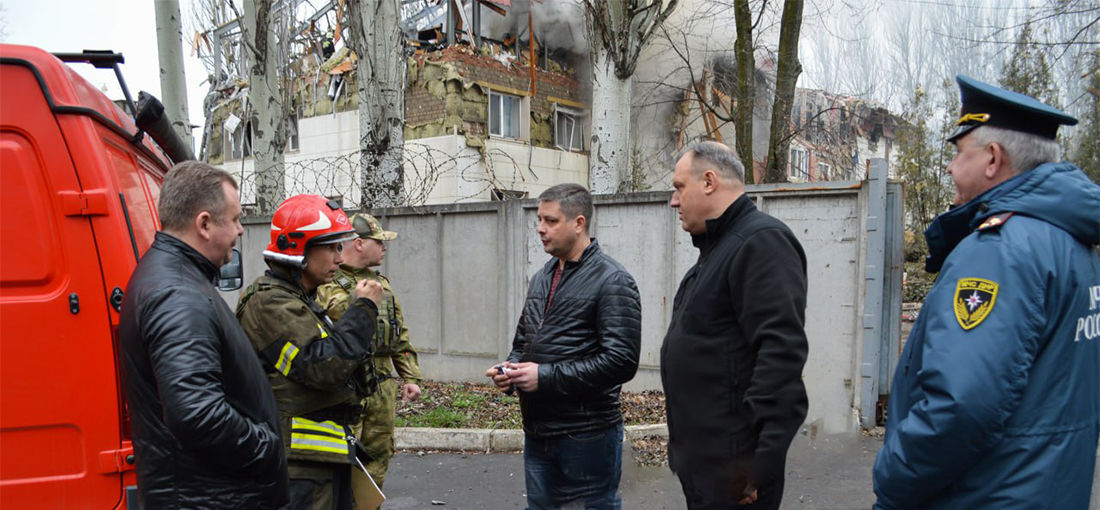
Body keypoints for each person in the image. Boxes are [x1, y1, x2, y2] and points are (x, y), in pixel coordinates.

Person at [872, 75, 1100, 509]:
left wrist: (892, 477)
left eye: (960, 153)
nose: (951, 167)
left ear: (993, 158)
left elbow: (960, 409)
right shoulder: (1074, 243)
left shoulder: (999, 250)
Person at [118, 161, 288, 507]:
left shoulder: (177, 279)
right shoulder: (178, 295)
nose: (241, 230)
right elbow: (197, 414)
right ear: (205, 224)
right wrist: (265, 448)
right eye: (236, 219)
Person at [661, 140, 809, 510]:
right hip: (708, 465)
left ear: (709, 181)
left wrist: (758, 464)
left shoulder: (760, 242)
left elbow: (780, 357)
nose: (673, 201)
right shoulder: (719, 247)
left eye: (679, 188)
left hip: (735, 475)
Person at [485, 183, 642, 510]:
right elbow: (523, 343)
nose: (541, 229)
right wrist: (510, 371)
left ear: (579, 223)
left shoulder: (613, 280)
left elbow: (621, 362)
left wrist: (546, 376)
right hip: (538, 431)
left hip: (588, 435)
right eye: (539, 219)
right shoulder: (542, 277)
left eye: (551, 221)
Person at [236, 194, 384, 510]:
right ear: (298, 249)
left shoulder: (299, 299)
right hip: (300, 467)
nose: (338, 257)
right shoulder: (270, 304)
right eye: (330, 247)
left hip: (319, 460)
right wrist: (364, 309)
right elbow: (325, 366)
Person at [317, 213, 424, 491]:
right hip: (347, 384)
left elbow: (398, 332)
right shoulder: (326, 282)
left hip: (382, 386)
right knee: (342, 457)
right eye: (379, 241)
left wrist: (410, 377)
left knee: (378, 457)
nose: (384, 247)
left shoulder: (382, 284)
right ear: (360, 243)